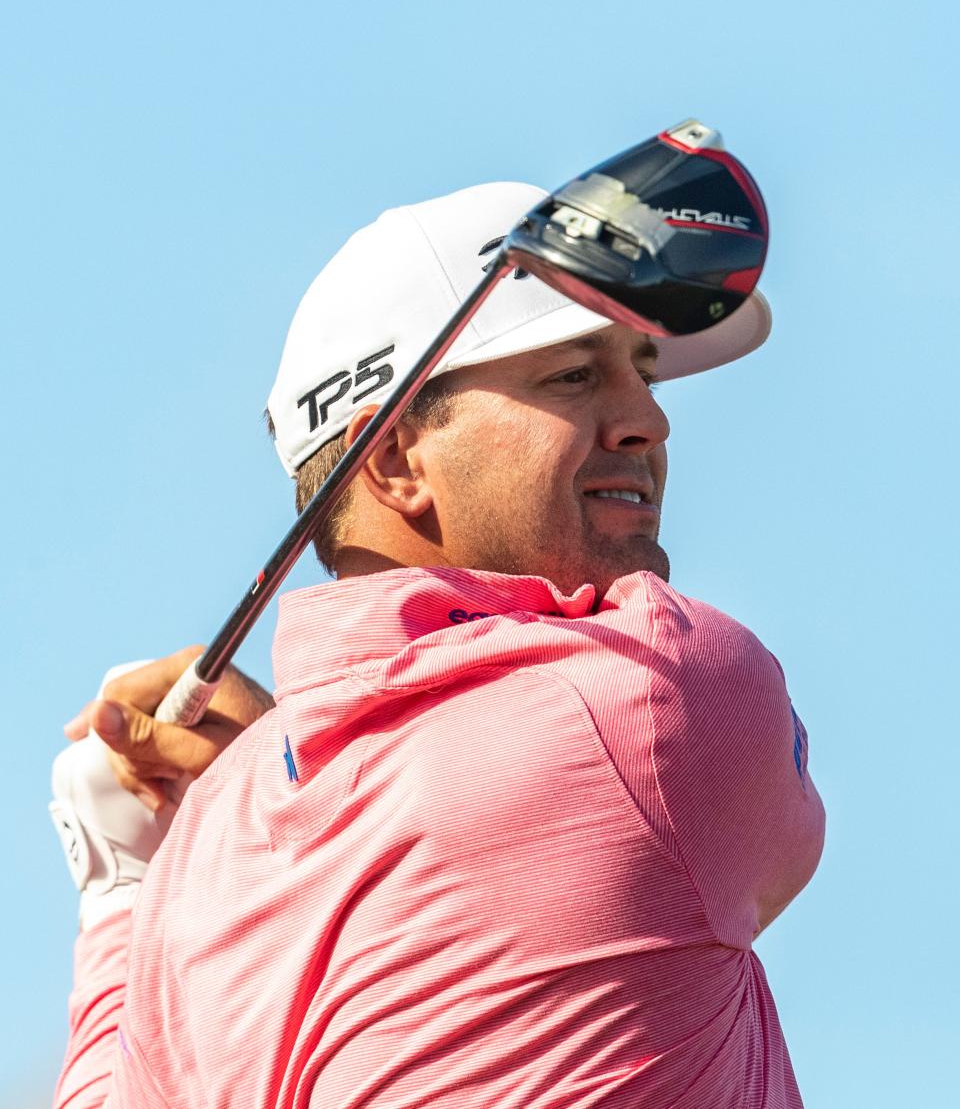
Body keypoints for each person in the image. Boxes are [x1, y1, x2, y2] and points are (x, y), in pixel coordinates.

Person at [51, 181, 825, 1108]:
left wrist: (125, 891)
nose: (648, 423)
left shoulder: (210, 856)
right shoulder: (655, 691)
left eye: (643, 374)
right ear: (392, 459)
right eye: (573, 375)